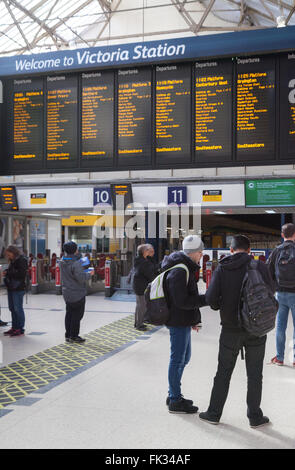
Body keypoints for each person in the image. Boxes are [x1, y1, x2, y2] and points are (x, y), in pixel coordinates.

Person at [201, 235, 275, 428]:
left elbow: (211, 299)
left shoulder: (222, 268)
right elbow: (270, 291)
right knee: (255, 374)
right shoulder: (259, 266)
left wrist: (222, 306)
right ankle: (255, 417)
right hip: (256, 328)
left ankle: (214, 413)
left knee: (223, 372)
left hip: (230, 328)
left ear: (231, 250)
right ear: (249, 251)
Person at [162, 235, 206, 414]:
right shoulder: (180, 270)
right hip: (177, 320)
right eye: (201, 252)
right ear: (193, 253)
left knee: (184, 358)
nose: (202, 255)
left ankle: (173, 393)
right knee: (178, 359)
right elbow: (181, 301)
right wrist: (206, 299)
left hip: (183, 320)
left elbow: (185, 299)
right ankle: (174, 400)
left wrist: (194, 319)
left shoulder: (184, 266)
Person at [267, 223, 295, 366]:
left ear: (282, 235)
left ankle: (280, 358)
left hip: (280, 294)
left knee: (280, 327)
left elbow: (268, 271)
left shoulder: (277, 251)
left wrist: (274, 289)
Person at [60, 241, 94, 343]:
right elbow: (81, 278)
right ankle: (74, 336)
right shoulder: (76, 263)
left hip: (67, 292)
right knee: (77, 315)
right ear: (75, 250)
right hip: (77, 293)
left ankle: (68, 334)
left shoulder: (62, 261)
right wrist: (90, 274)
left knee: (69, 313)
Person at [3, 245, 28, 337]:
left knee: (18, 309)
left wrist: (8, 273)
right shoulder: (13, 260)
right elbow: (13, 271)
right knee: (12, 308)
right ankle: (14, 327)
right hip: (11, 287)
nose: (8, 256)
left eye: (9, 254)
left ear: (13, 252)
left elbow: (21, 274)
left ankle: (20, 328)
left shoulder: (21, 260)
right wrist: (7, 271)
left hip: (18, 288)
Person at [132, 244, 157, 331]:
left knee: (140, 306)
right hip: (140, 286)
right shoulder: (142, 262)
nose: (149, 251)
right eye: (147, 250)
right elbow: (148, 273)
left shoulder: (141, 260)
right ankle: (139, 324)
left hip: (139, 285)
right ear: (143, 252)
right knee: (141, 306)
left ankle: (137, 323)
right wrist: (155, 279)